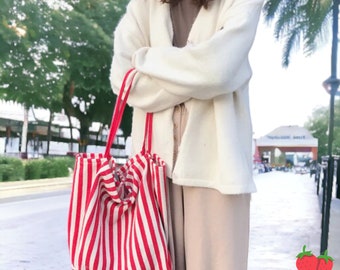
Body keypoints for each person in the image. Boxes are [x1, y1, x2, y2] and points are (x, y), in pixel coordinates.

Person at [110, 0, 264, 268]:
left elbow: (217, 70)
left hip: (218, 173)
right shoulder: (143, 5)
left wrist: (147, 59)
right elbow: (122, 79)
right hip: (152, 174)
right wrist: (200, 76)